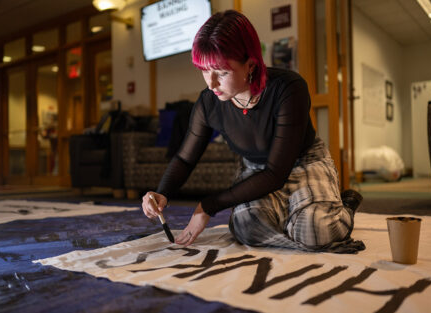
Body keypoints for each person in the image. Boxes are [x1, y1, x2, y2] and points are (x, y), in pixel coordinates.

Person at [142, 10, 364, 253]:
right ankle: (305, 227)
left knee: (314, 229)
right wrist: (161, 192)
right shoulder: (208, 102)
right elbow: (185, 158)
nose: (211, 83)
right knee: (245, 226)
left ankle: (341, 208)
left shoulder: (288, 88)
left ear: (250, 64)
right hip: (256, 170)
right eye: (205, 70)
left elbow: (275, 174)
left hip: (304, 163)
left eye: (222, 72)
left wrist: (208, 205)